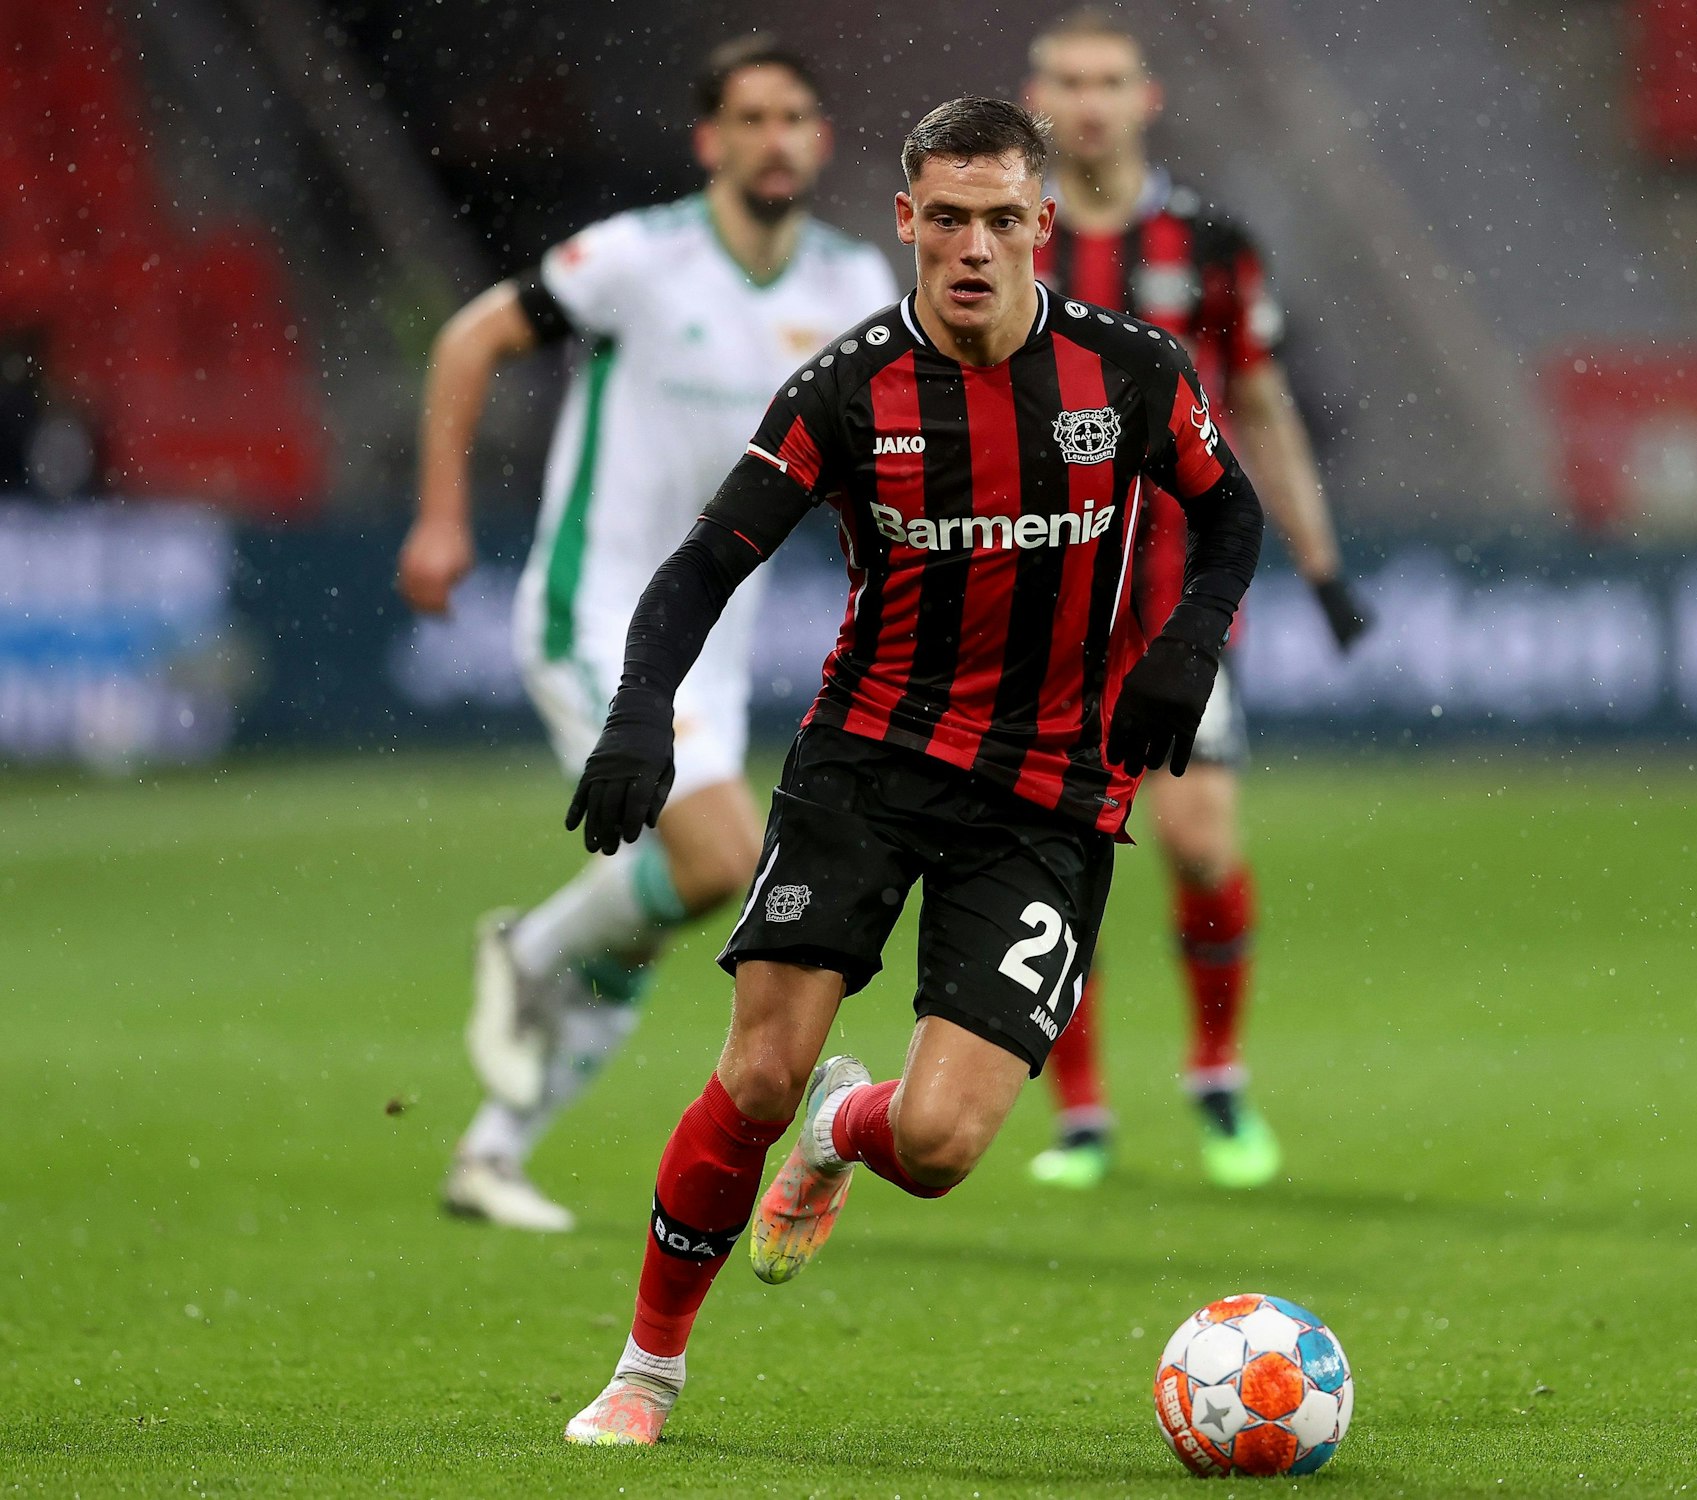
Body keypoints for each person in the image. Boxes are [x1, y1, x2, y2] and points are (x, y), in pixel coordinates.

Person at [559, 97, 1264, 1445]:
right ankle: (645, 1372)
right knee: (757, 1074)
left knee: (937, 1149)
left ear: (1041, 222)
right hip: (869, 760)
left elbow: (1230, 509)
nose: (973, 247)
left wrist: (1191, 634)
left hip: (1051, 791)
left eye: (1000, 219)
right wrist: (641, 711)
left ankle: (845, 1130)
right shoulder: (844, 388)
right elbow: (706, 564)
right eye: (946, 218)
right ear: (906, 221)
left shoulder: (1128, 369)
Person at [394, 37, 897, 1232]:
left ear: (818, 140)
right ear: (709, 140)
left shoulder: (850, 282)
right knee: (721, 861)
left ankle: (492, 1150)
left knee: (656, 899)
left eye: (792, 117)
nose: (772, 138)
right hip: (599, 609)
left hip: (711, 636)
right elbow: (471, 337)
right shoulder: (635, 257)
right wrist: (441, 517)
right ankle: (531, 950)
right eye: (749, 118)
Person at [1020, 11, 1371, 1192]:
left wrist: (1320, 566)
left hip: (1178, 605)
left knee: (1198, 839)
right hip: (1038, 609)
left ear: (1145, 98)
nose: (1088, 102)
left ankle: (1216, 1074)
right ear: (1037, 98)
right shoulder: (1005, 242)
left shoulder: (1209, 244)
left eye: (1107, 81)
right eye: (1068, 82)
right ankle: (1080, 1114)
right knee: (1059, 857)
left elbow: (1259, 407)